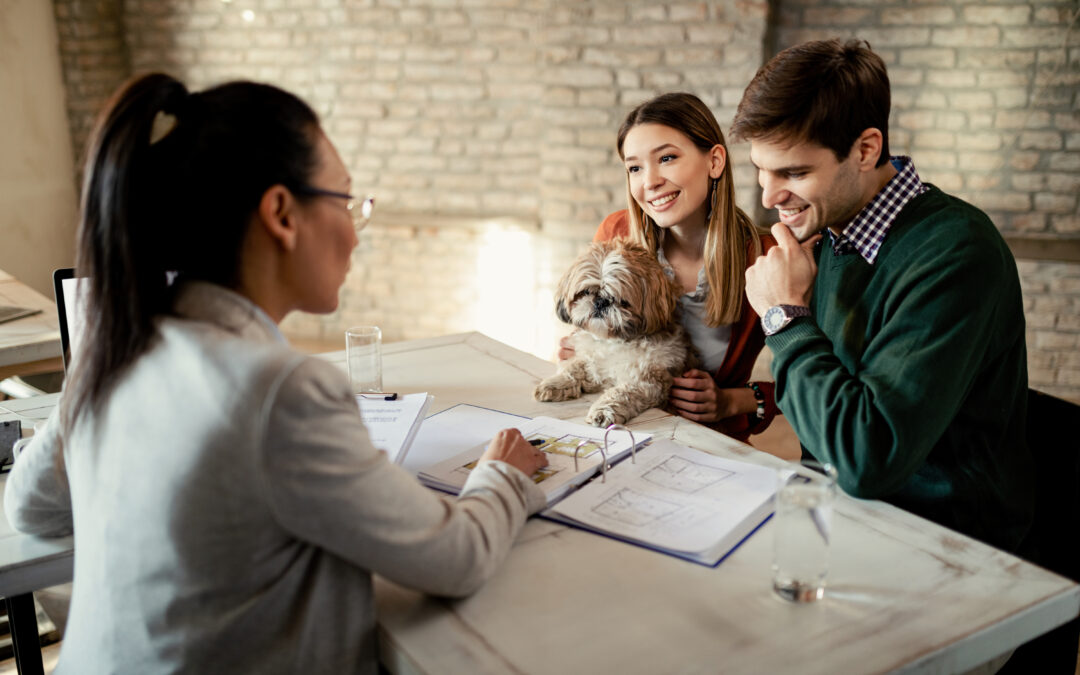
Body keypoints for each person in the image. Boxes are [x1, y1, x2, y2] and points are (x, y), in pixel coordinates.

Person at [3, 73, 548, 674]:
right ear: (282, 213)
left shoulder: (116, 349)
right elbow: (457, 556)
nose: (354, 231)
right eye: (345, 201)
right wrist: (500, 474)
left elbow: (29, 508)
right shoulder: (279, 389)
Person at [734, 39, 1034, 552]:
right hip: (839, 517)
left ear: (866, 149)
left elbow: (865, 461)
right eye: (763, 170)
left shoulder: (957, 252)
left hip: (947, 547)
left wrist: (786, 319)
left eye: (794, 173)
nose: (768, 197)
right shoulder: (827, 232)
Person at [560, 92, 778, 441]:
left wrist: (734, 401)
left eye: (667, 158)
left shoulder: (766, 256)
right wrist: (584, 344)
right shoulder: (617, 232)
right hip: (616, 433)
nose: (649, 182)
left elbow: (817, 378)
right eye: (635, 167)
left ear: (715, 161)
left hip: (705, 444)